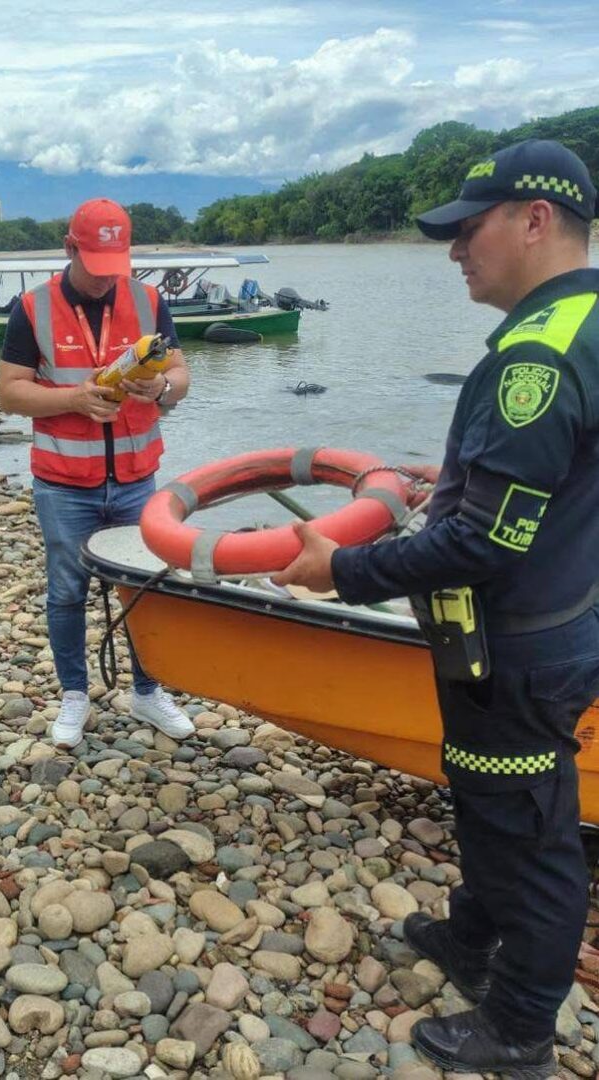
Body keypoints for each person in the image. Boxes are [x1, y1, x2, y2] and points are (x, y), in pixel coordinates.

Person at [274, 139, 598, 1077]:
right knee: (489, 797)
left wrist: (344, 565)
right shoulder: (583, 320)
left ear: (535, 220)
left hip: (518, 643)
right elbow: (550, 481)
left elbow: (489, 543)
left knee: (531, 829)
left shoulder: (536, 355)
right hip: (552, 622)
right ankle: (469, 939)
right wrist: (451, 480)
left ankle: (520, 1029)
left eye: (468, 229)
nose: (452, 249)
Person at [0, 198, 195, 750]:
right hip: (64, 483)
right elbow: (9, 392)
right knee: (66, 591)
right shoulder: (31, 308)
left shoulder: (147, 298)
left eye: (117, 266)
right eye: (96, 266)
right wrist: (73, 399)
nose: (108, 281)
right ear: (68, 249)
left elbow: (181, 372)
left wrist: (162, 388)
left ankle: (148, 690)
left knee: (143, 589)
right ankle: (74, 695)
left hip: (135, 477)